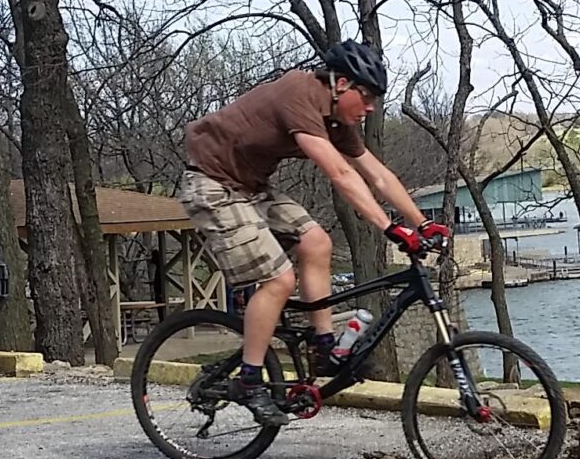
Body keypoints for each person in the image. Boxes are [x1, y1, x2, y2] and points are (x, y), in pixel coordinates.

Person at [179, 40, 446, 426]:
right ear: (340, 84)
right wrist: (390, 228)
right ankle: (249, 380)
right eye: (366, 96)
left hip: (250, 187)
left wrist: (422, 223)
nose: (370, 107)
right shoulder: (299, 92)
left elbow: (379, 176)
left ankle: (323, 347)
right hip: (211, 185)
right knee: (278, 279)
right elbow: (340, 174)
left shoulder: (338, 121)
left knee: (317, 241)